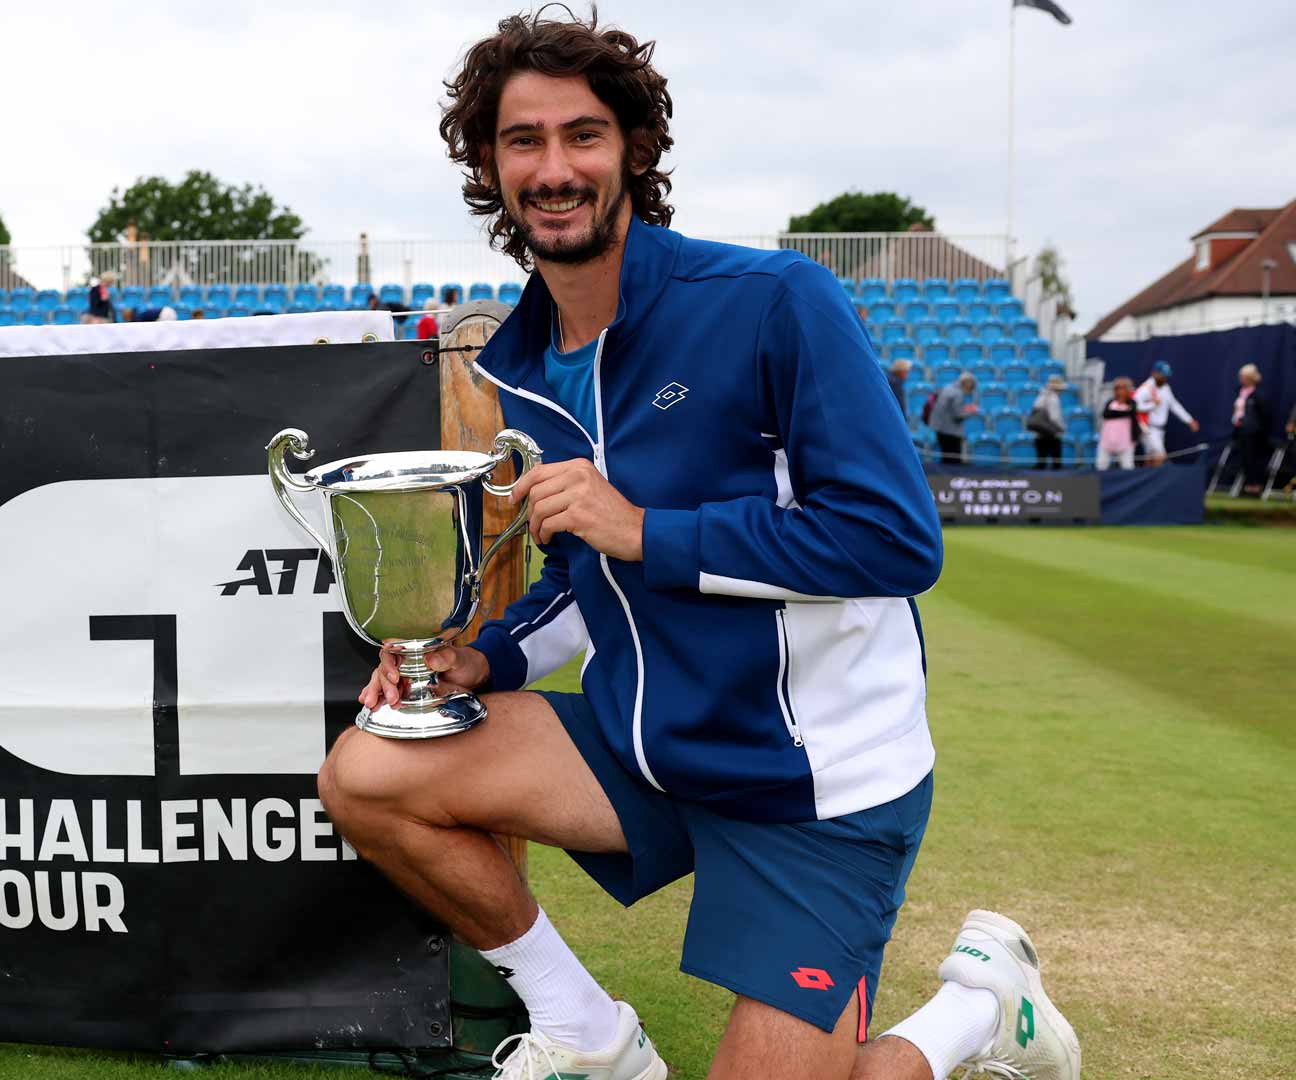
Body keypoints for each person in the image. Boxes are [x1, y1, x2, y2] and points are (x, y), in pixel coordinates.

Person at [318, 12, 1079, 1080]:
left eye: (582, 135)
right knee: (368, 774)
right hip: (653, 754)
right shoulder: (520, 360)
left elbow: (894, 539)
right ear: (488, 167)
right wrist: (488, 657)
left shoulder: (774, 301)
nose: (553, 167)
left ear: (634, 149)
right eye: (522, 140)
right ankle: (585, 1033)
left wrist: (647, 529)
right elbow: (581, 566)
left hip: (815, 785)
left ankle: (978, 1011)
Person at [1131, 361, 1198, 467]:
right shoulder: (1146, 389)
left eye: (1166, 375)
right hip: (1148, 429)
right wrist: (1152, 405)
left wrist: (1189, 420)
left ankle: (1148, 481)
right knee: (1160, 456)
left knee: (1150, 459)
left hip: (1160, 430)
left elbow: (1174, 405)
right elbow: (1133, 406)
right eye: (1163, 375)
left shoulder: (1166, 388)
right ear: (1154, 373)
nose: (1165, 378)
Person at [1230, 363, 1276, 493]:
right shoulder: (1240, 393)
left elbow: (1265, 415)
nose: (1241, 379)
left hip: (1254, 432)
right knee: (1244, 459)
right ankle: (1248, 485)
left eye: (1243, 377)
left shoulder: (1259, 395)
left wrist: (1259, 429)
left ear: (1250, 378)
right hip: (1241, 431)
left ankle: (1256, 486)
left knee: (1253, 459)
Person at [927, 374, 979, 465]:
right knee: (953, 460)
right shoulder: (958, 394)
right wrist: (972, 411)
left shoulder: (948, 388)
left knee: (946, 457)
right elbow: (958, 415)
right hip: (950, 432)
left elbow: (951, 409)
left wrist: (965, 408)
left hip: (941, 428)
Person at [1096, 376, 1141, 470]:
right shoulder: (1110, 402)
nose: (1120, 391)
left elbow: (1131, 413)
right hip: (1107, 440)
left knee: (1127, 466)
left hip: (1125, 442)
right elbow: (1106, 414)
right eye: (1117, 388)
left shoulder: (1132, 403)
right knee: (1101, 466)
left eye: (1123, 388)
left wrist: (1116, 413)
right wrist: (1123, 413)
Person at [1026, 375, 1068, 469]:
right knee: (1056, 456)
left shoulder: (1041, 395)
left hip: (1040, 431)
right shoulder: (1053, 398)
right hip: (1050, 431)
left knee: (1041, 457)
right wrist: (1062, 427)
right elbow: (1054, 417)